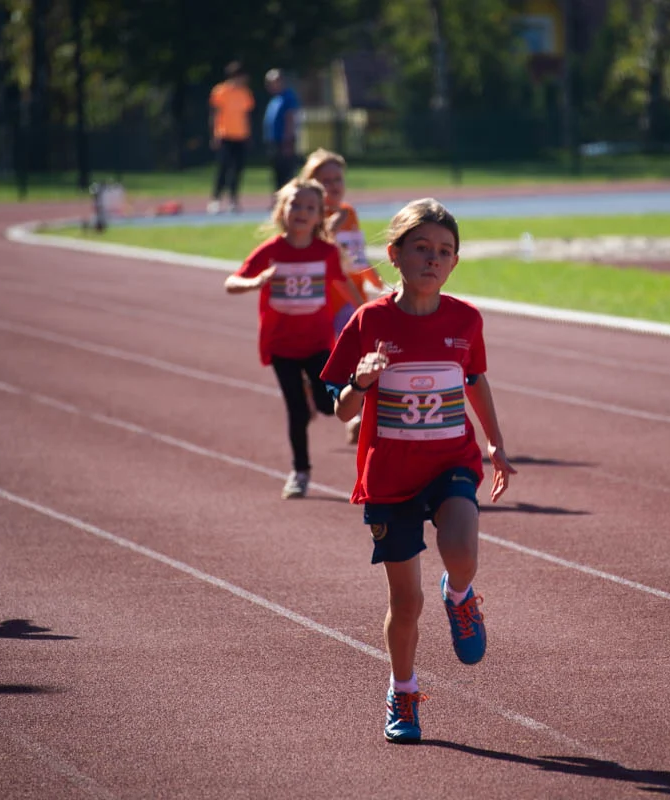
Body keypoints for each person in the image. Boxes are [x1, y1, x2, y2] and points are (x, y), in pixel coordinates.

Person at [320, 198, 516, 743]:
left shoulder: (465, 320)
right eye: (421, 249)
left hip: (451, 460)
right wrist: (360, 382)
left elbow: (474, 379)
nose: (433, 259)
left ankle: (461, 596)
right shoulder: (369, 321)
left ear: (454, 263)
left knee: (462, 551)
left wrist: (496, 443)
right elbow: (340, 409)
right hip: (390, 477)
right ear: (395, 255)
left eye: (444, 252)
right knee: (406, 602)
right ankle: (402, 691)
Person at [224, 177, 354, 499]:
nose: (302, 211)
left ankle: (314, 390)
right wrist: (256, 282)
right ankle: (300, 471)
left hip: (318, 343)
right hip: (281, 345)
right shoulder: (271, 251)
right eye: (295, 204)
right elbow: (231, 282)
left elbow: (345, 286)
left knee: (327, 406)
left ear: (319, 216)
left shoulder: (326, 252)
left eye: (310, 207)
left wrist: (371, 311)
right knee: (296, 410)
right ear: (282, 209)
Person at [300, 148, 390, 444]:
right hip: (323, 301)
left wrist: (373, 279)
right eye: (325, 180)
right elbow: (312, 250)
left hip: (353, 298)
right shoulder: (307, 215)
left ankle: (359, 417)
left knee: (359, 357)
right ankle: (317, 390)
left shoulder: (349, 213)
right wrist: (328, 226)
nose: (333, 186)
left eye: (337, 179)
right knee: (330, 359)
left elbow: (355, 256)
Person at [207, 61, 254, 214]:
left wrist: (248, 133)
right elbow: (215, 114)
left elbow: (247, 115)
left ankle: (233, 199)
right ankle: (216, 199)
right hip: (225, 135)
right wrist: (215, 134)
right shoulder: (220, 91)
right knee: (223, 168)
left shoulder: (245, 93)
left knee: (237, 169)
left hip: (240, 136)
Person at [263, 69, 300, 202]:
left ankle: (288, 199)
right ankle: (278, 198)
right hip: (274, 141)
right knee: (277, 173)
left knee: (286, 173)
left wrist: (288, 141)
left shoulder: (288, 97)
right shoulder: (275, 98)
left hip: (284, 141)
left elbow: (290, 118)